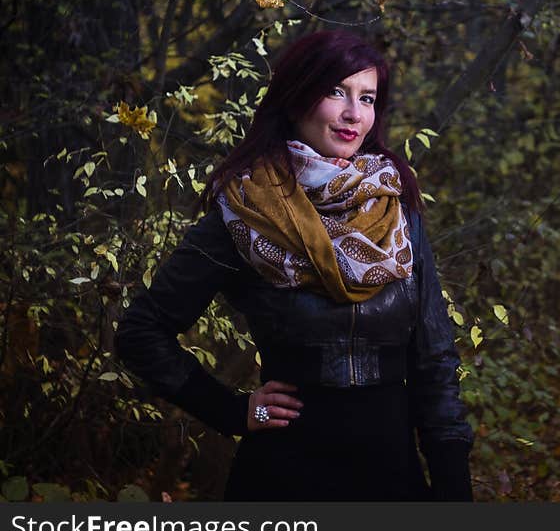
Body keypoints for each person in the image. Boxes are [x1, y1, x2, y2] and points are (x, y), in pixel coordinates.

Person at [114, 30, 474, 501]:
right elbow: (141, 332)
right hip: (284, 481)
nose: (353, 113)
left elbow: (435, 362)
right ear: (296, 95)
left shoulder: (394, 207)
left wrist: (453, 490)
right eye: (335, 92)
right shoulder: (248, 210)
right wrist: (232, 411)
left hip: (391, 479)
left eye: (366, 98)